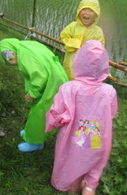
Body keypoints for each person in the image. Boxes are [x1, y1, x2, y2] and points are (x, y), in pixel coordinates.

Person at [45, 40, 118, 195]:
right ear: (104, 66)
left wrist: (51, 123)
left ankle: (72, 186)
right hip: (98, 138)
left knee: (72, 160)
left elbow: (56, 112)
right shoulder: (109, 91)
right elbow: (111, 114)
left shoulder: (69, 88)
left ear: (78, 63)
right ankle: (90, 186)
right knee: (93, 164)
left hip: (73, 137)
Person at [0, 38, 68, 152]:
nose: (10, 58)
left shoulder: (24, 56)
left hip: (52, 85)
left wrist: (33, 92)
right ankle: (31, 133)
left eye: (9, 55)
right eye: (6, 58)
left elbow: (40, 76)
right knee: (39, 111)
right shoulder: (26, 46)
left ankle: (35, 142)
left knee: (40, 114)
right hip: (56, 79)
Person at [60, 0, 105, 80]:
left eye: (91, 10)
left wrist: (88, 49)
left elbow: (99, 49)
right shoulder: (72, 26)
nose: (87, 13)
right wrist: (76, 43)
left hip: (87, 66)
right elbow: (64, 36)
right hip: (70, 63)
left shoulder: (97, 31)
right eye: (84, 9)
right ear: (78, 11)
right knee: (68, 83)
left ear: (96, 14)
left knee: (83, 85)